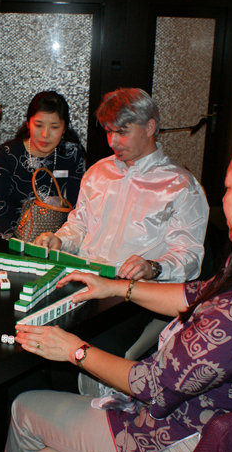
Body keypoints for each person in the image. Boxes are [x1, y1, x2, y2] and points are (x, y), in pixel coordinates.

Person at [3, 128, 232, 452]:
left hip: (175, 436)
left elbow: (150, 384)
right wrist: (118, 287)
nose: (222, 199)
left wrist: (74, 350)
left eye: (228, 189)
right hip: (223, 420)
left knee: (23, 408)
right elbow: (198, 292)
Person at [35, 88, 209, 362]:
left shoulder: (180, 186)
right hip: (85, 279)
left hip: (133, 296)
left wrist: (153, 267)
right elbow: (79, 225)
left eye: (122, 132)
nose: (113, 141)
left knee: (86, 346)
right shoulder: (98, 172)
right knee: (34, 330)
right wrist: (60, 240)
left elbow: (190, 257)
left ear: (149, 127)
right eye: (108, 131)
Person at [0, 91, 86, 240]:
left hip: (54, 240)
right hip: (7, 238)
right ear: (28, 124)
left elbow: (77, 207)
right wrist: (17, 245)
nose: (45, 134)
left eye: (54, 127)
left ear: (64, 128)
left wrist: (59, 241)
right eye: (38, 125)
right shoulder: (7, 154)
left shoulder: (72, 154)